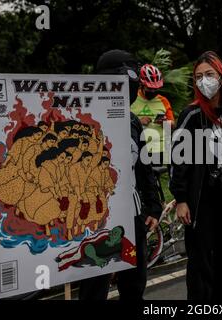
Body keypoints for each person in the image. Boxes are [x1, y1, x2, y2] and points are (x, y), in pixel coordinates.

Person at [78, 49, 162, 300]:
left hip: (133, 218)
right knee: (95, 288)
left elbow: (144, 168)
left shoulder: (132, 121)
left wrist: (154, 207)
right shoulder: (84, 122)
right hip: (97, 220)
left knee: (134, 286)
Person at [170, 51, 222, 300]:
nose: (204, 80)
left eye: (209, 74)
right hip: (201, 201)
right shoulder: (191, 115)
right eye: (198, 76)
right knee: (201, 264)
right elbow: (178, 160)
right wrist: (180, 199)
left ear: (221, 76)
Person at [131, 64, 175, 165]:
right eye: (150, 88)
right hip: (139, 148)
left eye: (156, 89)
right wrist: (139, 121)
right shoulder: (132, 99)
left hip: (160, 149)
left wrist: (166, 123)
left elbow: (172, 124)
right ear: (141, 84)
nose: (153, 91)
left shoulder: (163, 100)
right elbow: (123, 122)